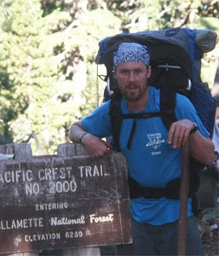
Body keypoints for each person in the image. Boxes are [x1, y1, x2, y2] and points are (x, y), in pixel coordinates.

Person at [68, 42, 214, 255]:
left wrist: (190, 128)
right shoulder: (114, 110)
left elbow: (208, 156)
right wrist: (86, 138)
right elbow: (74, 128)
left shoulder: (175, 105)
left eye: (137, 71)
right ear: (116, 76)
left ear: (148, 72)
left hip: (178, 214)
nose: (132, 79)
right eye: (125, 72)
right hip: (134, 218)